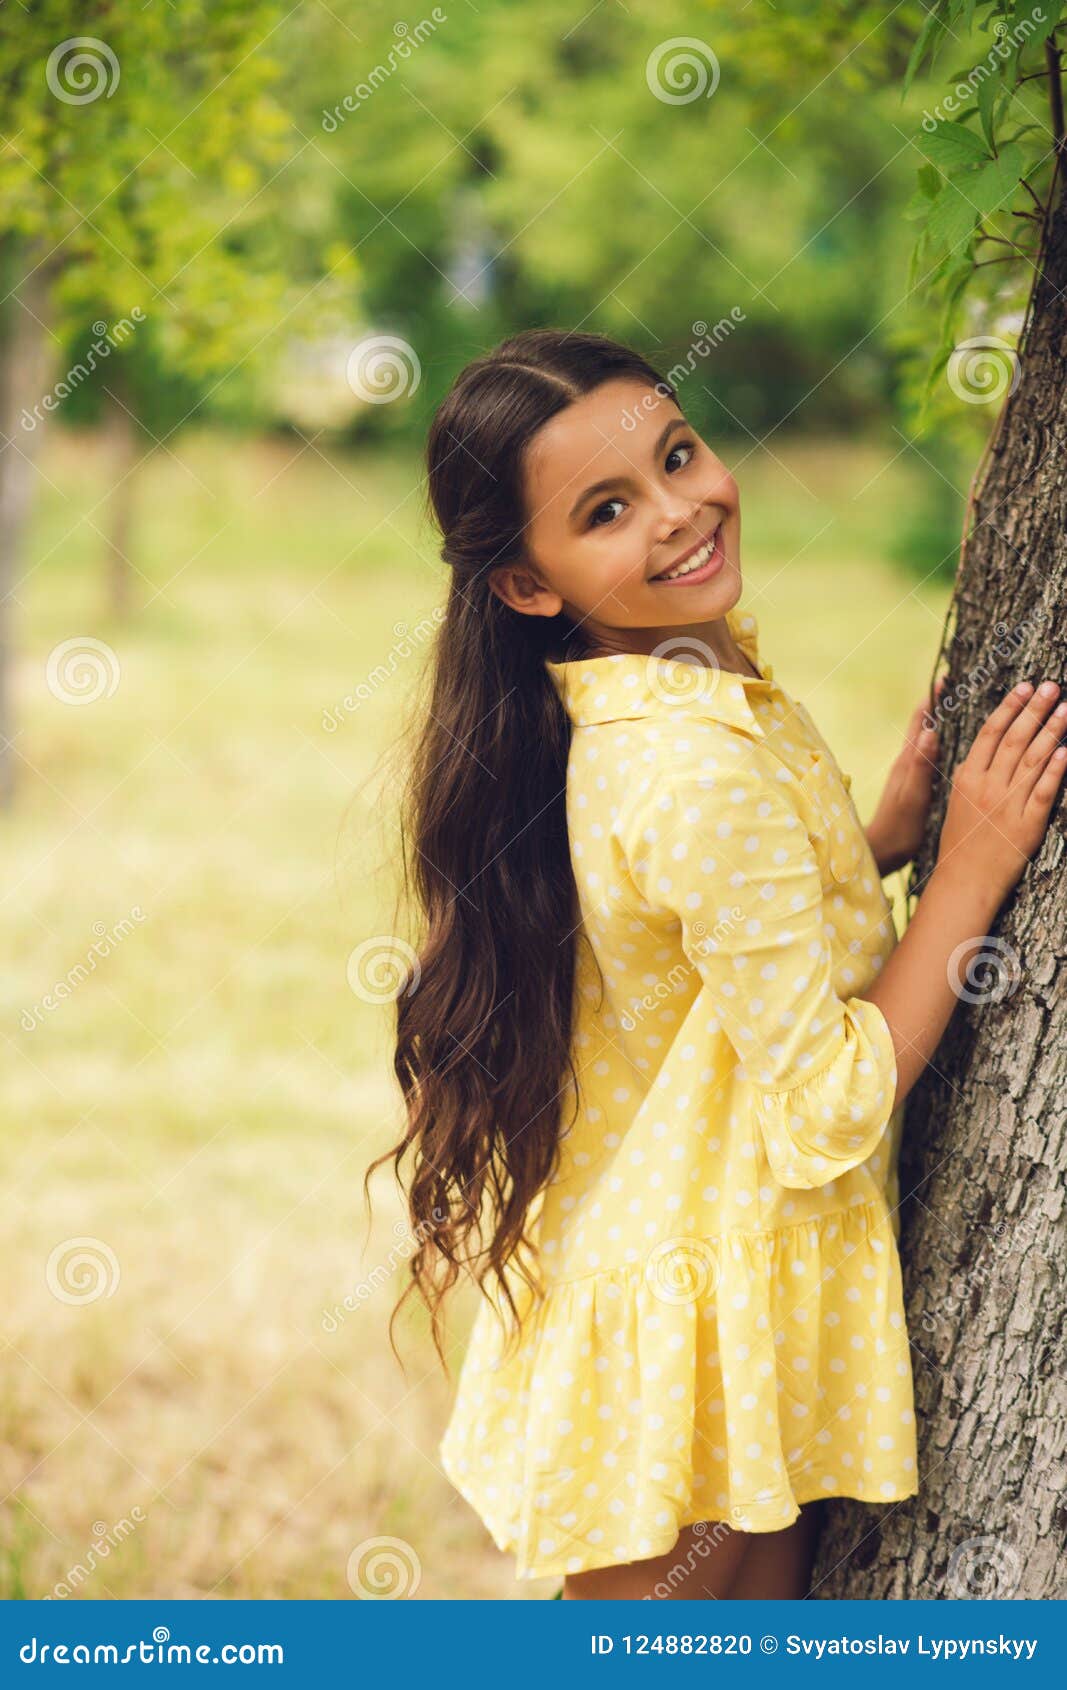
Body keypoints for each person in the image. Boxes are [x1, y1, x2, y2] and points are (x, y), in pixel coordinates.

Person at [366, 328, 1067, 1599]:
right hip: (700, 1333)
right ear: (529, 585)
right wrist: (964, 873)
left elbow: (705, 964)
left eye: (676, 454)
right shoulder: (690, 760)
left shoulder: (659, 694)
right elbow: (826, 1102)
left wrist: (872, 845)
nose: (682, 509)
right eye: (607, 509)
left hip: (709, 1303)